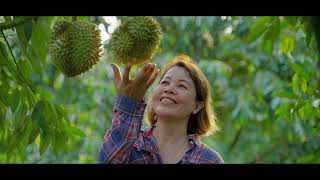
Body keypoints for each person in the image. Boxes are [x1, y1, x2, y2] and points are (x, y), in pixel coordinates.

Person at [98, 54, 224, 164]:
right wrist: (129, 104)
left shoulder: (209, 160)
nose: (169, 89)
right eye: (165, 82)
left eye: (182, 86)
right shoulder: (130, 145)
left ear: (197, 106)